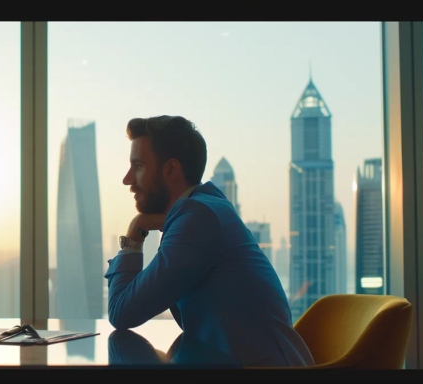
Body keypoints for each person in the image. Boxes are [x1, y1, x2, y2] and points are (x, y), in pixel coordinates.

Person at [105, 115, 314, 367]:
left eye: (138, 166)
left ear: (171, 169)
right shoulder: (207, 207)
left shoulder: (197, 218)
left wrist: (133, 235)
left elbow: (121, 312)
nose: (127, 179)